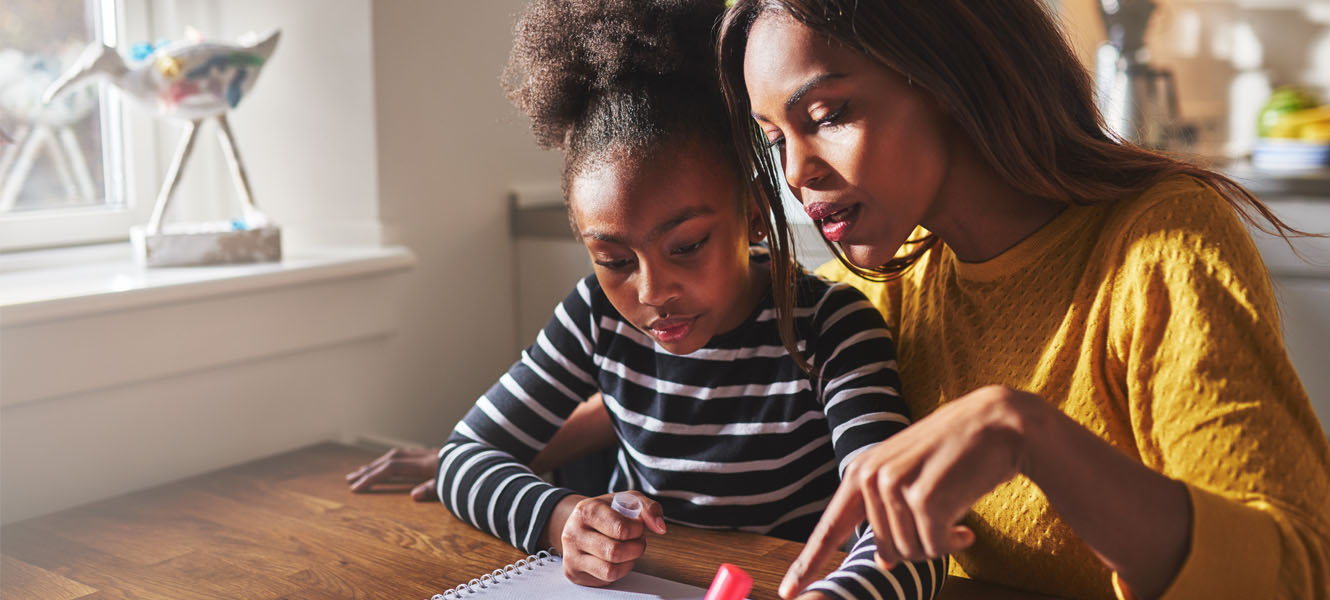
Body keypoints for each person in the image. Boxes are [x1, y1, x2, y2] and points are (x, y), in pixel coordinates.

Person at [715, 1, 1330, 599]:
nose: (796, 172)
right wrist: (618, 511)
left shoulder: (1161, 244)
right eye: (774, 139)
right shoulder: (879, 295)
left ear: (947, 74)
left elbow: (1298, 576)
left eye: (827, 114)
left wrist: (1031, 436)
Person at [350, 1, 947, 598]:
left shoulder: (832, 328)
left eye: (686, 246)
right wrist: (564, 520)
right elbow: (465, 456)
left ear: (754, 215)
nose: (651, 292)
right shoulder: (594, 317)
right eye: (612, 259)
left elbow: (903, 534)